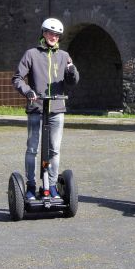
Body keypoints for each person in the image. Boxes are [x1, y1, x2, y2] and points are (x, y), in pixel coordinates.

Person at [12, 17, 79, 200]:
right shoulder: (31, 54)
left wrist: (72, 70)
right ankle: (31, 186)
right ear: (43, 33)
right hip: (36, 108)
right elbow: (17, 78)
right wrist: (28, 91)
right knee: (32, 149)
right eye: (50, 33)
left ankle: (51, 186)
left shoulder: (64, 56)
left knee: (54, 150)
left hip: (56, 109)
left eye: (57, 35)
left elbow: (72, 82)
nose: (53, 37)